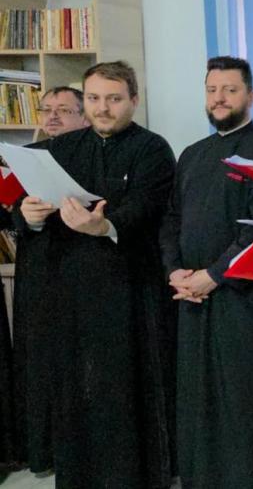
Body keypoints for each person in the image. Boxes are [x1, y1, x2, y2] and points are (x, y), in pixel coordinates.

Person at [15, 61, 177, 488]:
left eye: (113, 99)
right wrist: (29, 215)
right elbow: (29, 205)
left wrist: (105, 226)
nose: (103, 108)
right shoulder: (62, 148)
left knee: (125, 390)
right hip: (69, 290)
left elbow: (147, 207)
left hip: (129, 290)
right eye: (93, 98)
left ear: (133, 100)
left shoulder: (153, 149)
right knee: (73, 390)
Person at [160, 56, 253, 489]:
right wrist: (174, 271)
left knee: (242, 401)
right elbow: (171, 219)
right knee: (196, 398)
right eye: (212, 90)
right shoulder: (192, 154)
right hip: (191, 296)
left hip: (244, 300)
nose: (219, 98)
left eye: (230, 90)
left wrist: (214, 275)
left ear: (250, 96)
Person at [5, 86, 87, 474]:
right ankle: (41, 450)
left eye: (64, 110)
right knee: (38, 361)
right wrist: (25, 216)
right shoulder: (25, 157)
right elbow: (8, 216)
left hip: (80, 270)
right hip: (37, 270)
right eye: (46, 109)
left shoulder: (94, 154)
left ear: (84, 117)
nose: (52, 116)